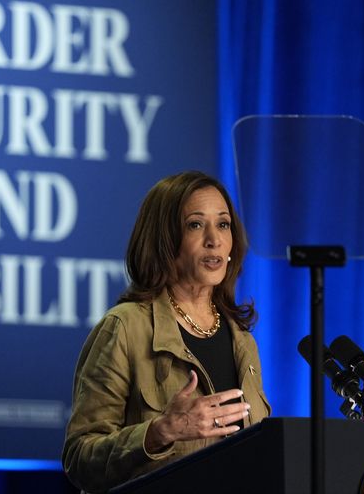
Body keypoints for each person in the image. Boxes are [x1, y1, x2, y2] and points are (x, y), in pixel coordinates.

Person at [62, 171, 271, 493]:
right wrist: (160, 432)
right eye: (195, 224)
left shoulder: (242, 340)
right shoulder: (125, 328)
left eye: (224, 224)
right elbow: (80, 459)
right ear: (165, 241)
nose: (214, 239)